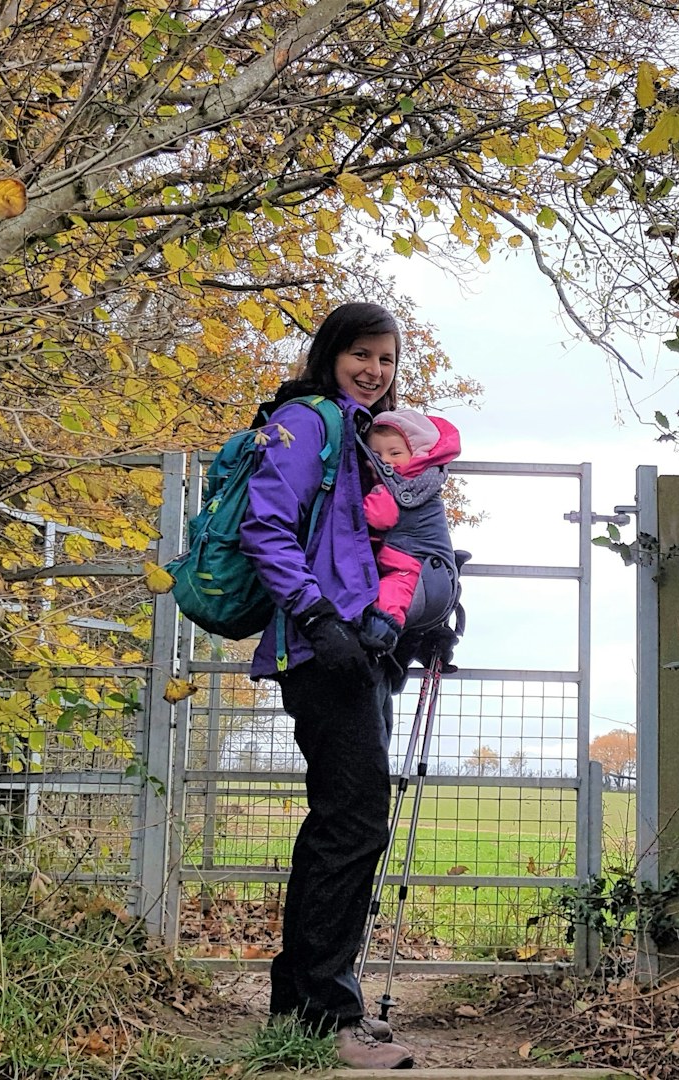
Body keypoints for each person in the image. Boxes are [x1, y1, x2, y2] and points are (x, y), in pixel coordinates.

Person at [236, 302, 418, 1070]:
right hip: (322, 649)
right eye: (361, 354)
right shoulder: (308, 421)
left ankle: (306, 1007)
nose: (374, 369)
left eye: (385, 358)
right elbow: (264, 525)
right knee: (351, 826)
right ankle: (326, 1018)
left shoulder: (355, 431)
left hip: (355, 649)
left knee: (342, 825)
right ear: (331, 352)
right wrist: (318, 620)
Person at [358, 408, 462, 657]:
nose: (385, 460)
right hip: (433, 571)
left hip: (411, 567)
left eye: (395, 453)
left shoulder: (398, 489)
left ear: (414, 454)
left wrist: (352, 505)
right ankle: (403, 655)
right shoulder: (426, 481)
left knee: (393, 593)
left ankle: (380, 632)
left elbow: (377, 516)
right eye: (376, 454)